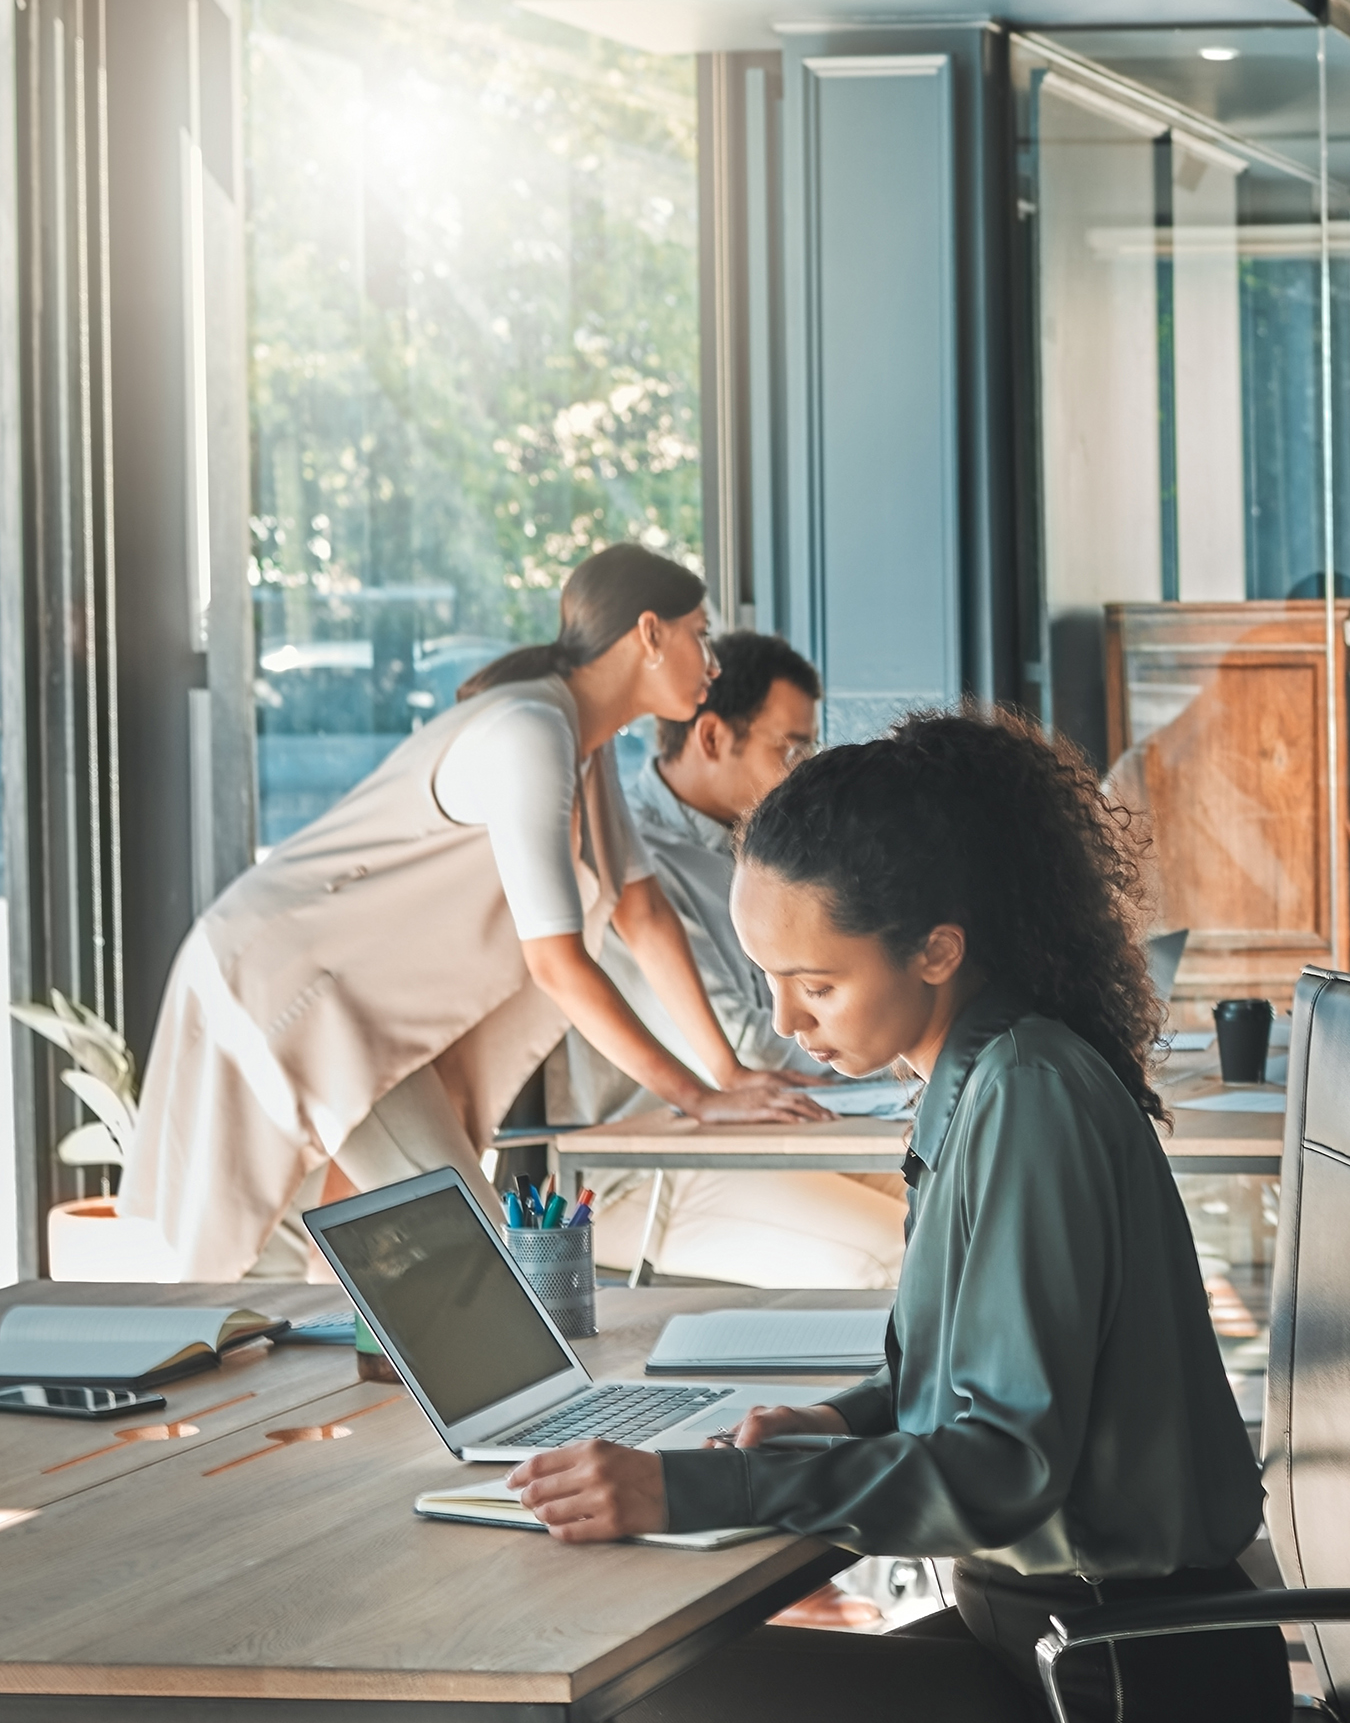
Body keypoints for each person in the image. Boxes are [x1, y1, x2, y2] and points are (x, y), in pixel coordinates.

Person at [374, 711, 1278, 1723]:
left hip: (1129, 1699)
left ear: (937, 946)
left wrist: (693, 1495)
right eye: (769, 981)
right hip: (1063, 1660)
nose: (786, 1024)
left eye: (815, 982)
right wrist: (837, 1418)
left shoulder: (1032, 1098)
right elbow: (980, 1381)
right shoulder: (989, 1069)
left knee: (594, 1711)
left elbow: (1004, 1460)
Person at [122, 543, 828, 1279]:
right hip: (291, 989)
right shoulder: (529, 731)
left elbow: (641, 912)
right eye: (699, 634)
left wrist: (723, 1076)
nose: (711, 663)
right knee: (432, 1264)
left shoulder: (578, 741)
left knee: (367, 1265)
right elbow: (556, 964)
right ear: (649, 634)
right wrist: (694, 1096)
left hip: (356, 1010)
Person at [574, 629, 910, 1288]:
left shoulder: (763, 850)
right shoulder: (641, 866)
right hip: (664, 1164)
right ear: (710, 738)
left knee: (968, 1212)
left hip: (781, 1128)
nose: (803, 769)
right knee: (896, 1258)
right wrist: (898, 1049)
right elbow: (744, 1049)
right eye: (789, 749)